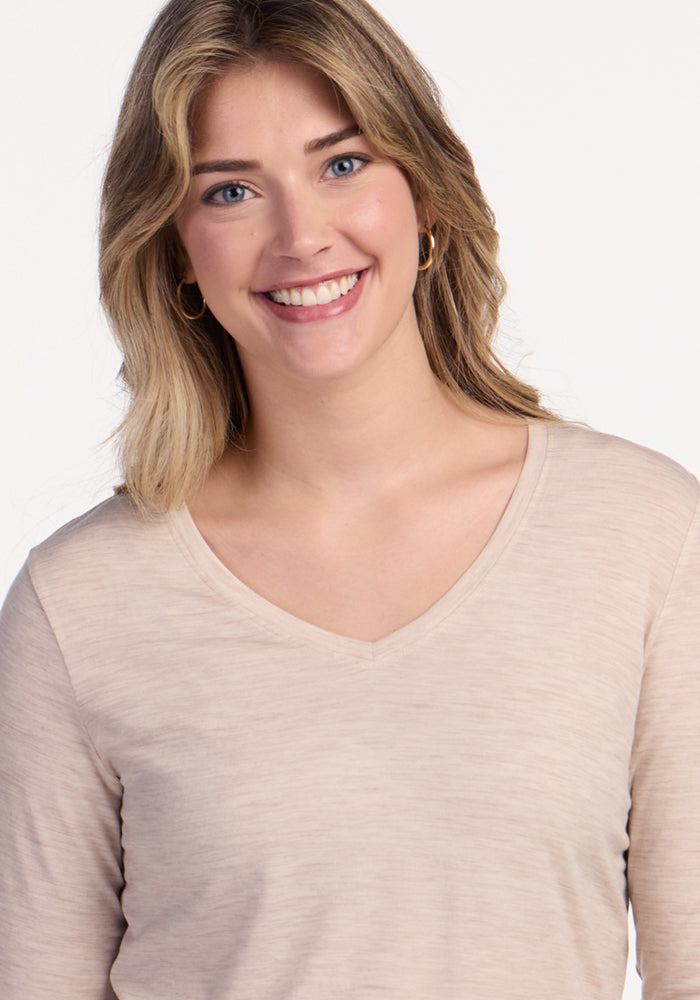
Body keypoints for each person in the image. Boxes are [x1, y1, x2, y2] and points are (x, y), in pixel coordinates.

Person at [0, 0, 698, 997]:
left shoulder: (643, 538)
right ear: (177, 252)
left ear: (423, 193)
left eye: (342, 163)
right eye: (232, 190)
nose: (301, 235)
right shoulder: (80, 603)